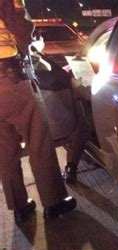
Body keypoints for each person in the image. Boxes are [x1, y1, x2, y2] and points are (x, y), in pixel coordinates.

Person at [0, 0, 76, 223]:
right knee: (39, 141)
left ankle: (19, 207)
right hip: (11, 77)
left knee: (5, 151)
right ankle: (54, 202)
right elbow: (22, 28)